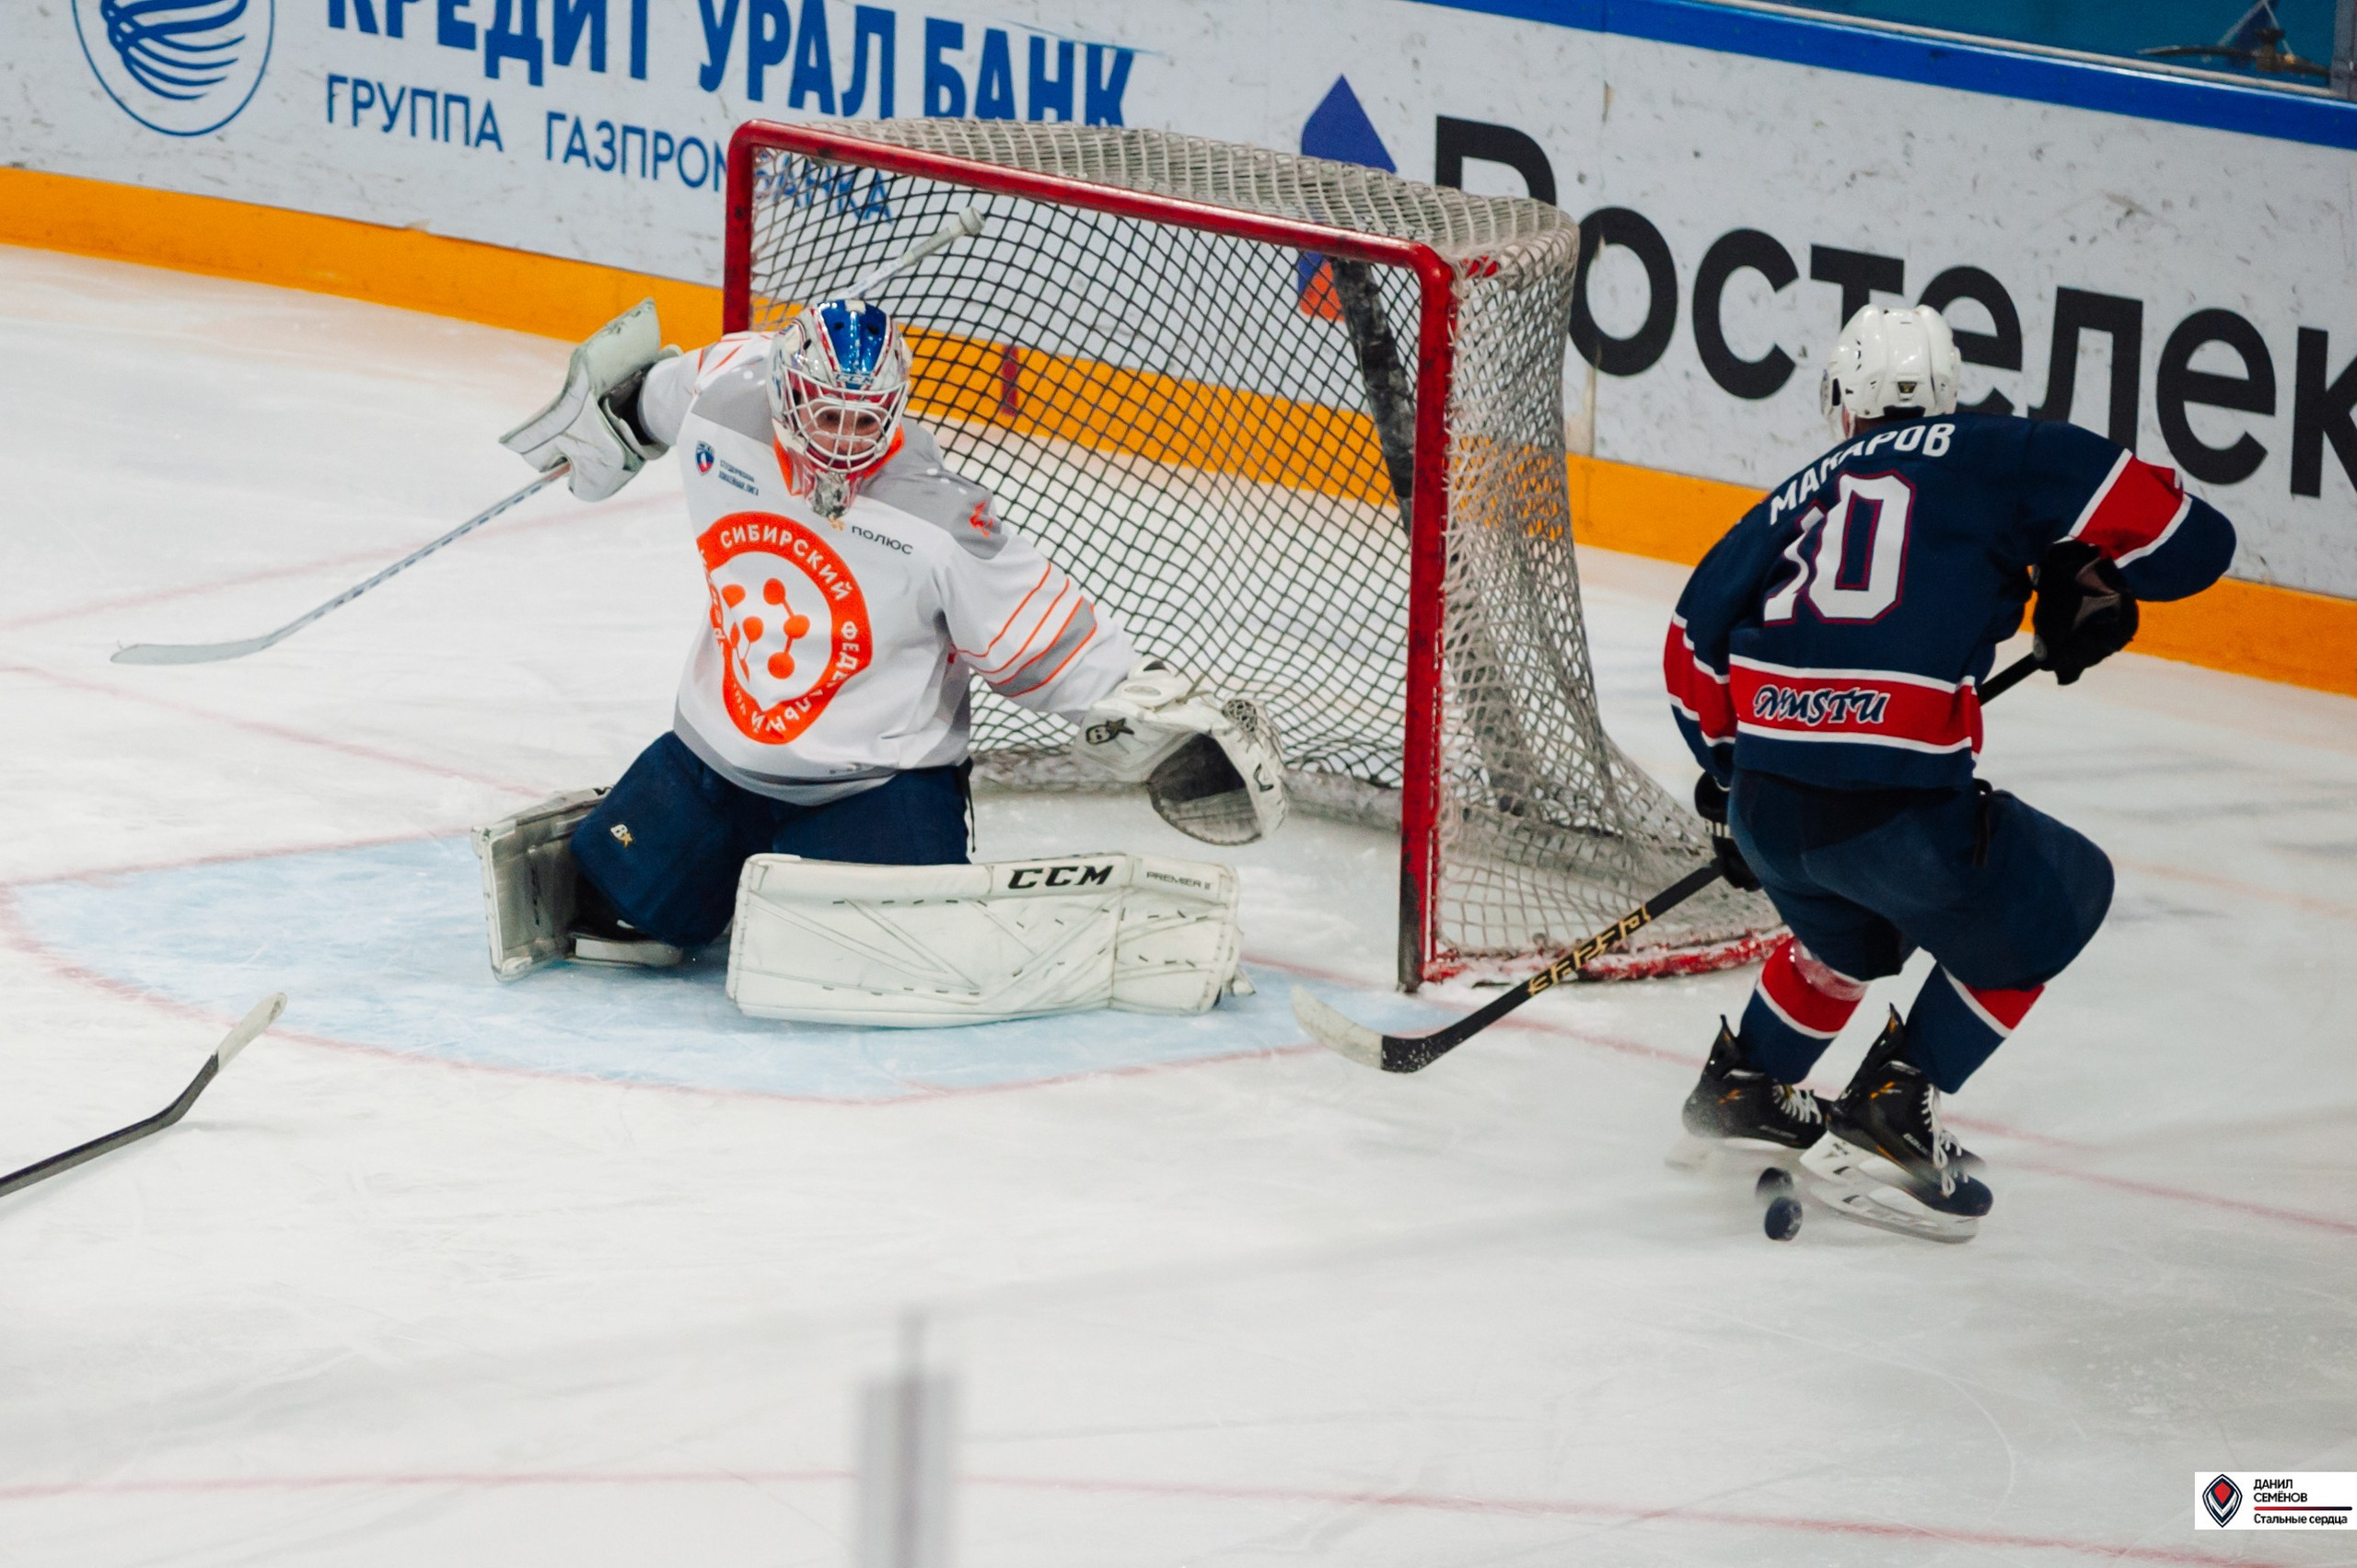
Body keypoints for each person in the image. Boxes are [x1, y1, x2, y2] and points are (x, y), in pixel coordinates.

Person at [470, 296, 1285, 1021]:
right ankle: (693, 856)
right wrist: (617, 419)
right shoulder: (727, 395)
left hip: (874, 783)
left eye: (867, 422)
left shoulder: (936, 515)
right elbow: (660, 390)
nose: (846, 443)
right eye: (826, 416)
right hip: (718, 758)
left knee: (877, 961)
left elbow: (1043, 637)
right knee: (618, 911)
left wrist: (1142, 708)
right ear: (787, 394)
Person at [1663, 303, 2235, 1234]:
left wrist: (1731, 783)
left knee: (1841, 933)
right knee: (2059, 889)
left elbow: (1690, 651)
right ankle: (1892, 1110)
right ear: (1947, 394)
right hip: (1898, 811)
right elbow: (2194, 543)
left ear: (1843, 403)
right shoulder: (2002, 452)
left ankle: (1744, 1088)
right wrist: (2085, 571)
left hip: (1773, 811)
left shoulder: (1791, 495)